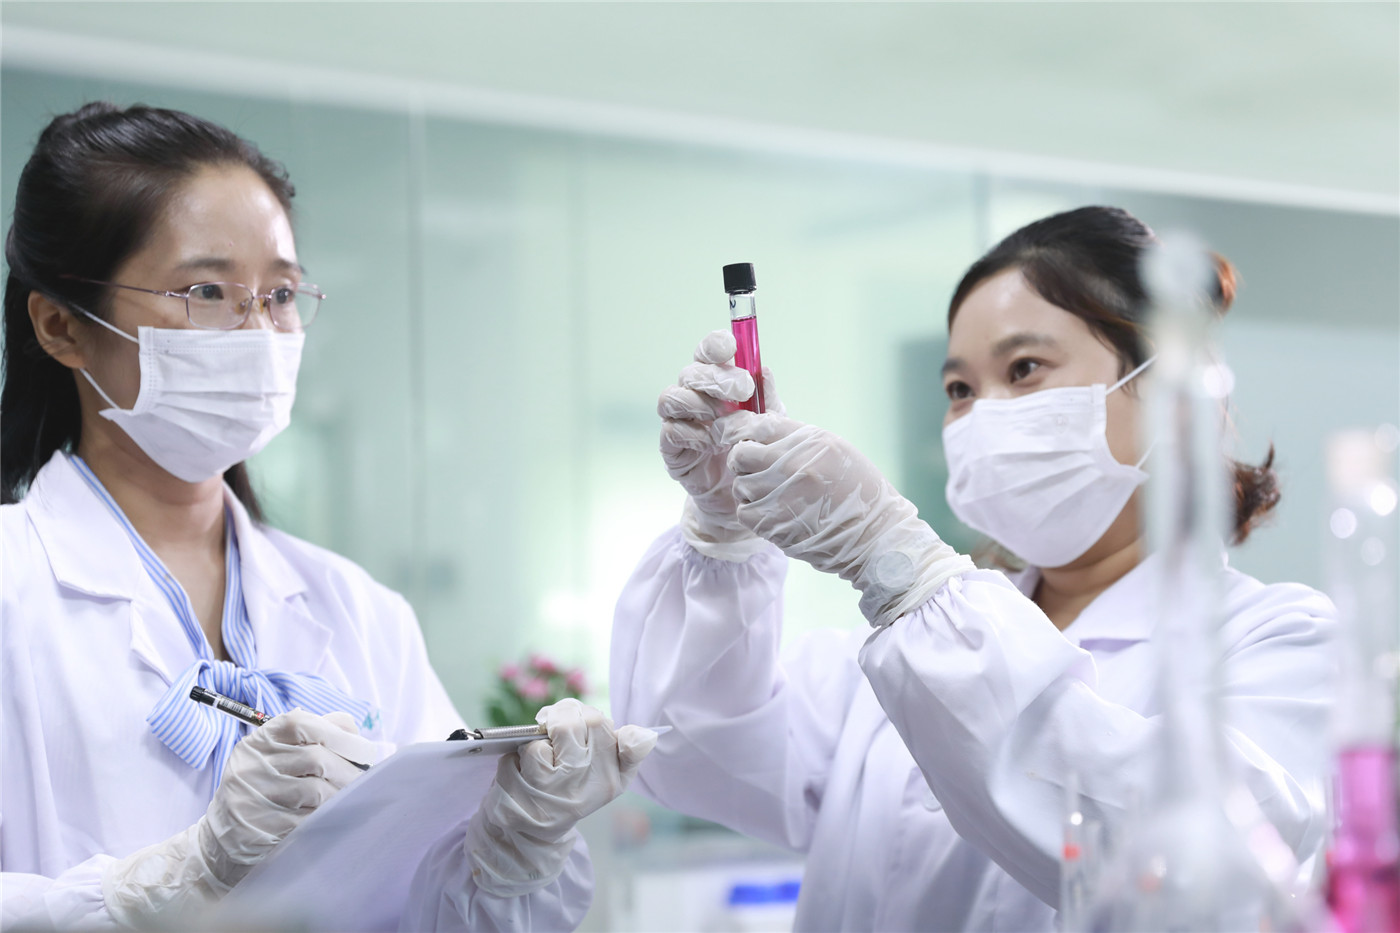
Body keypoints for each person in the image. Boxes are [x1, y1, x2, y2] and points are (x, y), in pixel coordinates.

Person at [0, 102, 654, 931]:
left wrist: (513, 845)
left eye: (278, 294)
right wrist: (153, 887)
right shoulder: (15, 589)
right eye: (207, 291)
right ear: (61, 326)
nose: (258, 331)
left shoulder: (359, 611)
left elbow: (441, 913)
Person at [610, 207, 1334, 931]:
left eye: (1025, 369)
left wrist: (896, 565)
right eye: (960, 390)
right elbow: (686, 751)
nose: (983, 417)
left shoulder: (1275, 641)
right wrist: (723, 533)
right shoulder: (892, 660)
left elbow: (1200, 876)